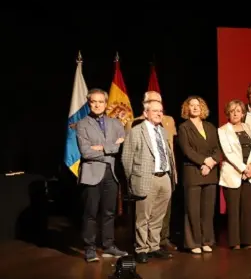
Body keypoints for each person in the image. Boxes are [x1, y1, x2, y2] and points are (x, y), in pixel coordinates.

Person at [76, 88, 129, 262]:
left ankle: (109, 245)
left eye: (101, 101)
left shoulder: (115, 123)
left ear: (106, 104)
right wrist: (110, 147)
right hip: (91, 173)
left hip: (111, 173)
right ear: (89, 103)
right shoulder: (82, 124)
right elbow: (86, 153)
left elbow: (121, 145)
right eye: (94, 101)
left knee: (109, 212)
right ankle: (90, 248)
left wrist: (101, 148)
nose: (97, 105)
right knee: (90, 213)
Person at [121, 99, 176, 263]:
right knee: (143, 217)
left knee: (158, 216)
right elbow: (126, 158)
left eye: (161, 110)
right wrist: (132, 180)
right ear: (146, 113)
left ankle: (154, 246)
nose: (159, 113)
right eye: (155, 111)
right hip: (146, 178)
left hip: (164, 177)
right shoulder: (136, 131)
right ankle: (141, 249)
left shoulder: (163, 131)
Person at [176, 96, 221, 254]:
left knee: (208, 211)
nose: (195, 108)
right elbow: (187, 150)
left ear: (203, 108)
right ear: (187, 109)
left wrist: (211, 163)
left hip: (210, 172)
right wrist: (203, 162)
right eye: (192, 105)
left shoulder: (210, 127)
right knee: (193, 210)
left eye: (198, 105)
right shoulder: (183, 127)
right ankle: (193, 242)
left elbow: (217, 149)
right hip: (193, 172)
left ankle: (206, 240)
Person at [218, 100, 251, 249]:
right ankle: (235, 242)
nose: (235, 113)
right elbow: (228, 153)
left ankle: (247, 240)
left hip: (250, 173)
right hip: (233, 173)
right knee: (233, 210)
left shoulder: (248, 127)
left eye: (238, 111)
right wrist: (243, 168)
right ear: (228, 113)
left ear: (242, 113)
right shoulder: (223, 130)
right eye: (232, 111)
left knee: (247, 209)